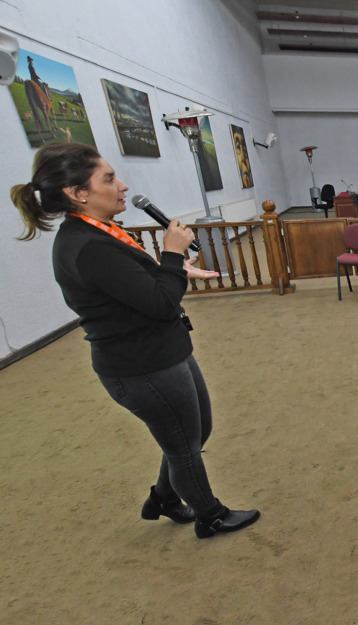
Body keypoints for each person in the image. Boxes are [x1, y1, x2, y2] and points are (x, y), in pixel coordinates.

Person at [11, 143, 260, 539]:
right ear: (78, 193)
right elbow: (160, 304)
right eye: (109, 179)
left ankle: (164, 498)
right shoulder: (88, 246)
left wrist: (175, 269)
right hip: (143, 366)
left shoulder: (99, 231)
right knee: (184, 447)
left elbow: (135, 286)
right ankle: (210, 516)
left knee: (195, 432)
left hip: (165, 352)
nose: (123, 186)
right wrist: (172, 256)